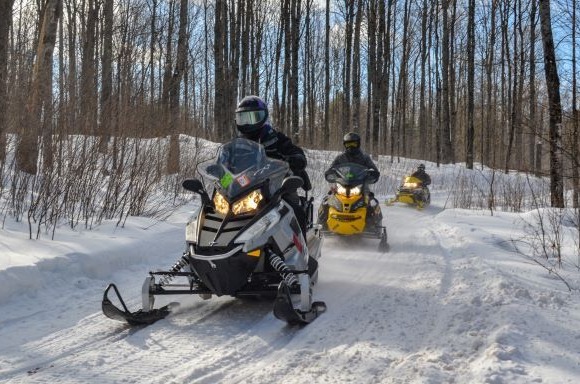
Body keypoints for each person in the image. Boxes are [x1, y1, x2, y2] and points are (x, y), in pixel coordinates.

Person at [235, 95, 310, 234]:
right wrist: (221, 175)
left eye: (253, 117)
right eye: (243, 118)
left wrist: (295, 158)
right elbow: (227, 165)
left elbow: (295, 151)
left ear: (263, 117)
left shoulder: (276, 138)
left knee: (294, 209)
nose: (247, 123)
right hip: (244, 187)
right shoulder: (237, 144)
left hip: (276, 187)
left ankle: (302, 249)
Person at [318, 132, 381, 229]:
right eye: (348, 144)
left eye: (353, 144)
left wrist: (373, 173)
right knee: (326, 200)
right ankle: (322, 224)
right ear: (345, 145)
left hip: (361, 186)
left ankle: (376, 227)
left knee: (372, 202)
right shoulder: (340, 158)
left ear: (358, 144)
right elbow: (332, 168)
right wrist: (330, 173)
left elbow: (373, 169)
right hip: (341, 185)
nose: (351, 146)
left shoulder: (364, 158)